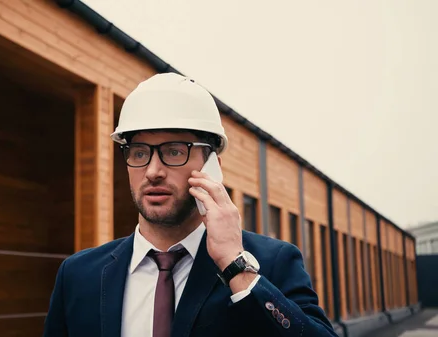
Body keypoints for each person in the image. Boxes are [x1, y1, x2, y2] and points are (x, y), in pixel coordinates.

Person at [43, 73, 338, 337]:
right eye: (139, 152)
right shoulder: (78, 275)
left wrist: (236, 267)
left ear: (212, 167)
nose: (153, 171)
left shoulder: (271, 263)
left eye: (174, 151)